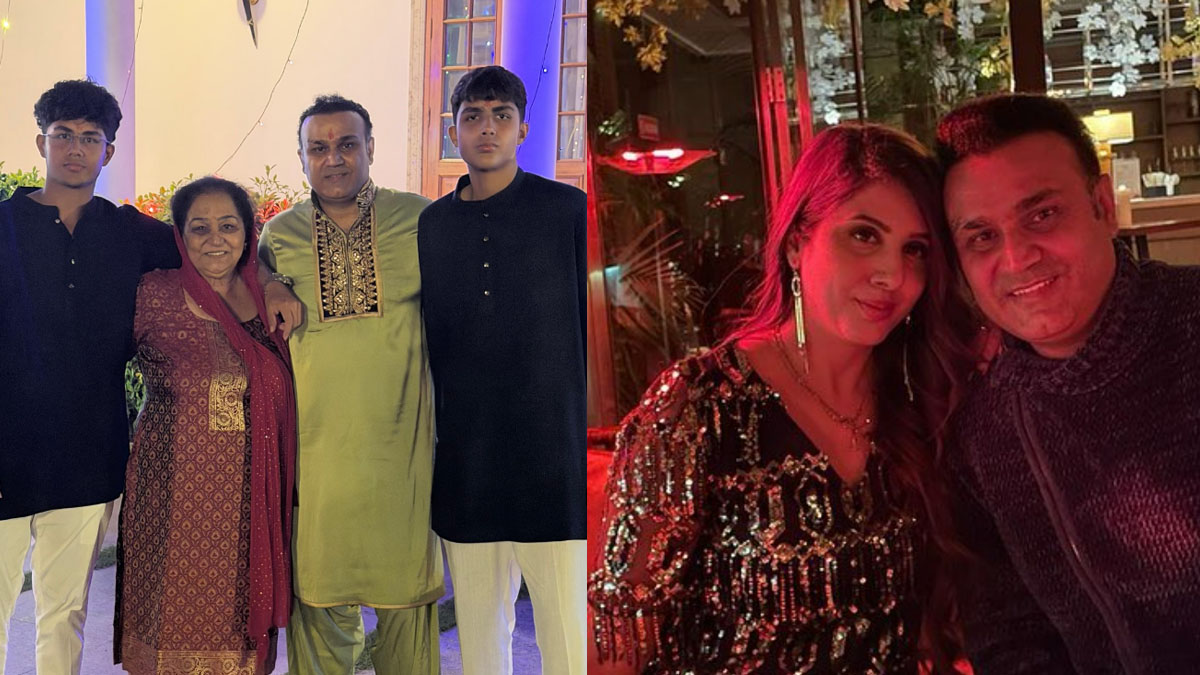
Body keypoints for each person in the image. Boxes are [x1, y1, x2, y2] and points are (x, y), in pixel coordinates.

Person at [589, 123, 975, 674]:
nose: (893, 275)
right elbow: (618, 641)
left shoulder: (920, 397)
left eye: (914, 249)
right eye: (864, 235)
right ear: (796, 242)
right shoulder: (699, 406)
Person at [0, 80, 301, 675]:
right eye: (63, 135)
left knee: (63, 614)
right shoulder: (3, 226)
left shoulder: (127, 233)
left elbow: (215, 248)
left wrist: (271, 282)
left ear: (108, 151)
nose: (76, 149)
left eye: (91, 138)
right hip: (5, 452)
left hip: (87, 459)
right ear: (41, 142)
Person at [936, 93, 1200, 674]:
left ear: (1103, 206)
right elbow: (1008, 636)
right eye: (982, 237)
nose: (1017, 257)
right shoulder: (981, 434)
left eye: (1042, 215)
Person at [257, 94, 442, 674]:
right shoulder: (279, 235)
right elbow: (237, 274)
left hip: (402, 455)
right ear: (301, 157)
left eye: (346, 144)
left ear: (370, 148)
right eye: (318, 147)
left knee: (406, 601)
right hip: (317, 460)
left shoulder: (420, 219)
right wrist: (267, 280)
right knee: (318, 599)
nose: (333, 158)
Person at [418, 65, 587, 675]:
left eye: (501, 116)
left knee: (568, 638)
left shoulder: (568, 210)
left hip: (554, 465)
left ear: (522, 130)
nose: (486, 128)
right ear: (453, 133)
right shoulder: (433, 226)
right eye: (472, 117)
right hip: (469, 466)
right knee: (481, 639)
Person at [115, 177, 296, 673]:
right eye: (199, 228)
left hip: (251, 503)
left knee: (238, 636)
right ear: (179, 234)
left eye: (228, 226)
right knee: (172, 624)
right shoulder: (153, 293)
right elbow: (91, 363)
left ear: (248, 233)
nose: (215, 239)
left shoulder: (269, 298)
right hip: (172, 501)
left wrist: (273, 280)